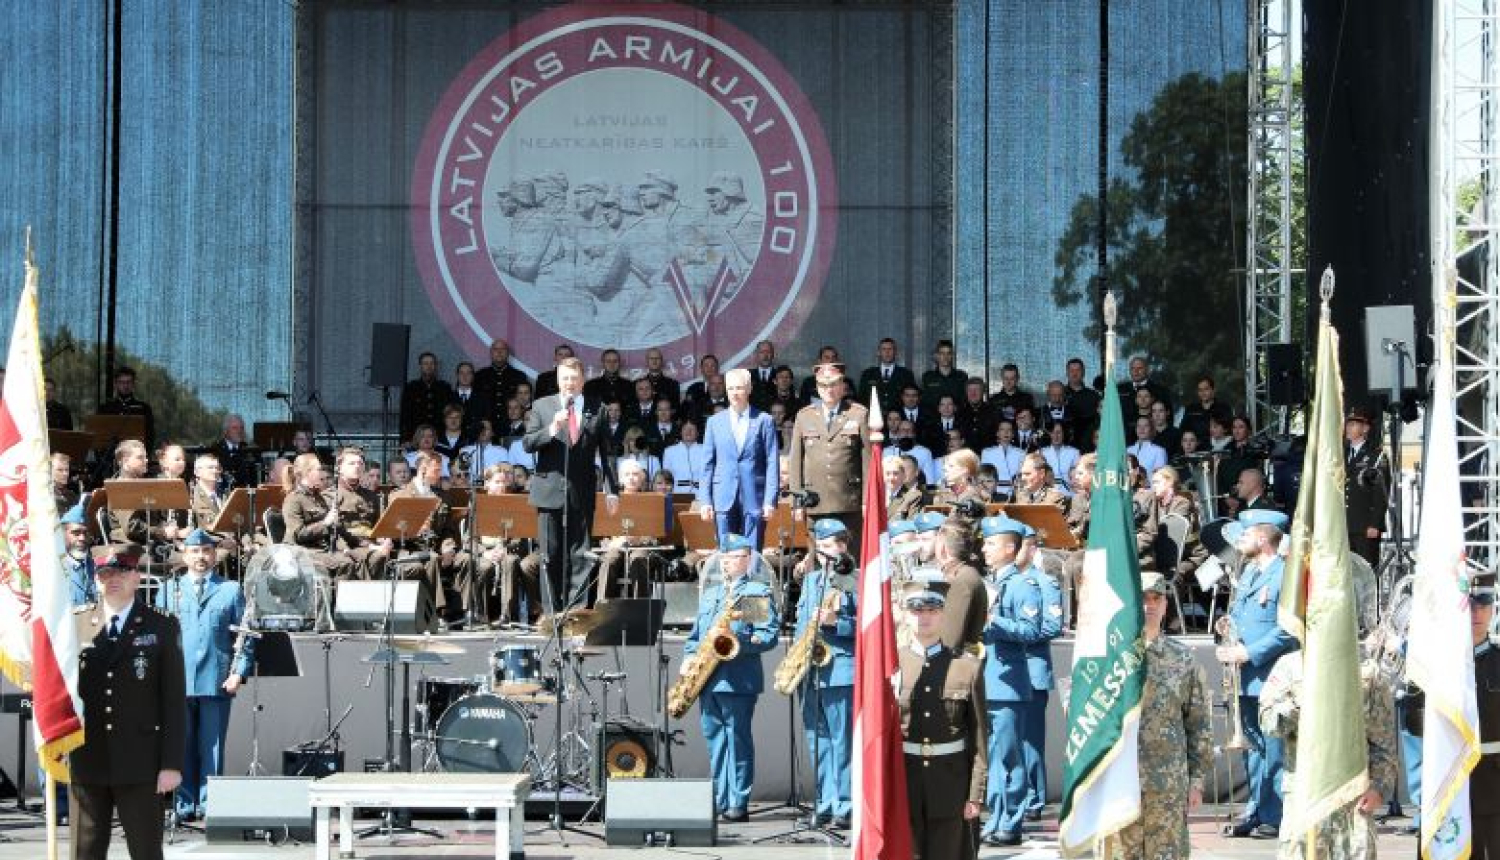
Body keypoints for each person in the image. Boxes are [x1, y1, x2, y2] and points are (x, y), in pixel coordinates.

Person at [69, 545, 185, 860]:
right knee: (85, 852)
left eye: (122, 571)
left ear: (137, 577)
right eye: (105, 573)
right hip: (87, 759)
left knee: (145, 851)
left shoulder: (161, 626)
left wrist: (171, 763)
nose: (113, 579)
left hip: (141, 762)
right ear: (96, 580)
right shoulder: (74, 624)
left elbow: (173, 700)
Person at [1259, 607, 1398, 859]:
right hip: (1305, 797)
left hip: (1353, 801)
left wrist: (1379, 788)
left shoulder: (1367, 672)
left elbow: (1384, 742)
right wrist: (1299, 704)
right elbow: (1268, 723)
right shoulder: (1290, 667)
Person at [1102, 571, 1211, 860]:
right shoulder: (1109, 656)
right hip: (1119, 785)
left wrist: (1196, 781)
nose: (1150, 605)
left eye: (1157, 598)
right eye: (1143, 599)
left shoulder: (1183, 658)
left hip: (1167, 786)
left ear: (1165, 605)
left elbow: (1198, 724)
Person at [153, 530, 253, 823]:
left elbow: (245, 637)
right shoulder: (169, 589)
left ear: (214, 555)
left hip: (216, 677)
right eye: (194, 551)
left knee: (212, 745)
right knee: (181, 744)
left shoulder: (230, 589)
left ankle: (210, 803)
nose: (200, 557)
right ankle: (184, 803)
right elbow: (159, 637)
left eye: (206, 551)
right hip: (178, 679)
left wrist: (238, 673)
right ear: (184, 555)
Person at [682, 534, 780, 821]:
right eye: (723, 557)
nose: (726, 562)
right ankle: (720, 797)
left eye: (733, 557)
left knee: (737, 739)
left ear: (747, 559)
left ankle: (738, 800)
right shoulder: (712, 593)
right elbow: (697, 636)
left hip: (738, 677)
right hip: (708, 678)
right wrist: (689, 657)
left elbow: (767, 636)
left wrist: (738, 641)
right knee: (715, 739)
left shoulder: (753, 592)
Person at [1216, 509, 1299, 838]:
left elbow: (1287, 629)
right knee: (1253, 749)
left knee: (1275, 749)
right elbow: (1240, 614)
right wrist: (1228, 628)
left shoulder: (1284, 575)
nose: (1240, 539)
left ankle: (1275, 815)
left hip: (1271, 676)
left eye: (1246, 534)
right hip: (1245, 677)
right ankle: (1256, 810)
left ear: (1263, 538)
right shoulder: (1249, 572)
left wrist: (1247, 652)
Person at [897, 582, 987, 860]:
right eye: (917, 610)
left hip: (950, 784)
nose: (924, 616)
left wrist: (975, 794)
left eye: (932, 610)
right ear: (905, 614)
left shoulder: (966, 667)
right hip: (903, 781)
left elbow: (979, 737)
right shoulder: (890, 665)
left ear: (943, 614)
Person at [523, 357, 619, 610]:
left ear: (582, 381)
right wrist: (553, 428)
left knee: (580, 555)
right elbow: (528, 443)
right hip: (549, 491)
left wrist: (612, 490)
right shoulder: (542, 406)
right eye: (565, 378)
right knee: (550, 555)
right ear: (558, 380)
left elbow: (608, 452)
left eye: (574, 379)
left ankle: (576, 614)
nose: (569, 384)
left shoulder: (597, 407)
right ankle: (551, 614)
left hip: (582, 491)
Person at [975, 516, 1046, 846]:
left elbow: (1033, 632)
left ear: (1009, 548)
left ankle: (1012, 820)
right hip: (987, 679)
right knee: (990, 756)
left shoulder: (1021, 586)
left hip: (1008, 683)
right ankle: (996, 817)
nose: (984, 549)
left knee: (1009, 756)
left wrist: (994, 621)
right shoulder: (990, 583)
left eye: (990, 543)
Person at [794, 519, 858, 829]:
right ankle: (825, 801)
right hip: (810, 671)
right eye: (820, 547)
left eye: (831, 545)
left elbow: (869, 629)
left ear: (844, 547)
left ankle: (845, 805)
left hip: (841, 670)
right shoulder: (811, 581)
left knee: (842, 742)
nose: (824, 552)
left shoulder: (856, 580)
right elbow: (800, 625)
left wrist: (837, 622)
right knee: (816, 740)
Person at [786, 362, 870, 554]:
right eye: (823, 386)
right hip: (815, 500)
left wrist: (867, 501)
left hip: (848, 500)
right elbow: (795, 462)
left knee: (850, 556)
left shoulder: (858, 414)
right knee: (818, 556)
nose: (829, 390)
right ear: (817, 388)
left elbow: (868, 462)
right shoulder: (804, 416)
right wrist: (797, 502)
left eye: (833, 384)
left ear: (843, 386)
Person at [698, 368, 779, 548]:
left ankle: (751, 577)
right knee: (726, 551)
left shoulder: (764, 420)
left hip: (754, 495)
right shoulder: (714, 422)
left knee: (753, 550)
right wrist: (705, 500)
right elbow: (707, 465)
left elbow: (772, 462)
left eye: (739, 388)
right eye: (731, 388)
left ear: (749, 389)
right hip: (723, 494)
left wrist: (769, 500)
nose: (735, 393)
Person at [1016, 523, 1063, 821]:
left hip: (1031, 669)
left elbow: (1051, 625)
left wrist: (1013, 633)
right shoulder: (1002, 580)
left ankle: (1033, 797)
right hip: (1004, 671)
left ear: (1031, 548)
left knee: (1030, 740)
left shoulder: (1044, 583)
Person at [1343, 405, 1388, 567]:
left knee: (1366, 570)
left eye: (1354, 424)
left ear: (1366, 428)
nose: (1348, 428)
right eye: (1348, 424)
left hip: (1364, 526)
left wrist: (1375, 524)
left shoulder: (1376, 456)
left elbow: (1381, 494)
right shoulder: (1341, 454)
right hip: (1344, 524)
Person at [399, 351, 456, 441]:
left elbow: (450, 414)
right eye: (425, 363)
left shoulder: (444, 388)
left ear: (436, 366)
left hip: (439, 436)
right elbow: (405, 417)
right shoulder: (411, 388)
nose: (429, 366)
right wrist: (404, 439)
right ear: (420, 366)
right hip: (416, 436)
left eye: (432, 363)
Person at [96, 365, 155, 449]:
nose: (125, 385)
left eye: (128, 382)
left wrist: (143, 457)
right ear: (116, 384)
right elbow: (97, 436)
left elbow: (150, 436)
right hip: (108, 458)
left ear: (133, 384)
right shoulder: (104, 408)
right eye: (121, 382)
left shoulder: (144, 408)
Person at [858, 337, 918, 411]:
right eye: (884, 349)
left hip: (897, 418)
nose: (887, 352)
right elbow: (861, 398)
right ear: (878, 353)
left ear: (895, 352)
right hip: (873, 418)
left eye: (890, 349)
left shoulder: (906, 374)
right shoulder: (868, 374)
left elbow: (911, 398)